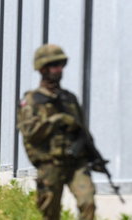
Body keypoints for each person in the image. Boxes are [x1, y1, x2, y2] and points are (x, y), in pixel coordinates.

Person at [17, 44, 96, 220]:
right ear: (43, 69)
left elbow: (82, 130)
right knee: (50, 213)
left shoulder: (69, 98)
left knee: (88, 202)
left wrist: (92, 155)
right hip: (49, 164)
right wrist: (56, 120)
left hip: (75, 163)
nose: (59, 69)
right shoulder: (32, 100)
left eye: (61, 65)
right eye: (54, 65)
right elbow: (29, 133)